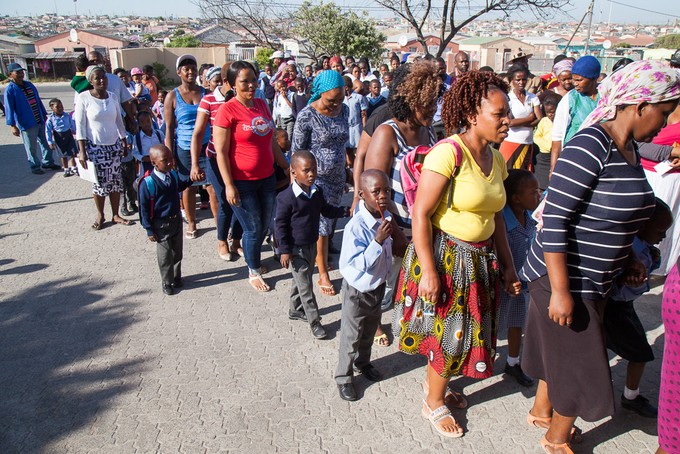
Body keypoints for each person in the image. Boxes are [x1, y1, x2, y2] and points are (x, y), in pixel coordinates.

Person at [520, 59, 680, 454]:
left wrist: (627, 260)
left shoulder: (627, 149)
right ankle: (556, 440)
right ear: (639, 105)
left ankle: (542, 411)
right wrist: (560, 291)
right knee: (581, 366)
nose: (666, 123)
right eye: (664, 112)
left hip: (598, 277)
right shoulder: (590, 144)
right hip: (564, 278)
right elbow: (554, 220)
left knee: (561, 354)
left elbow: (614, 218)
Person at [393, 70, 521, 438]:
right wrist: (430, 272)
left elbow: (496, 215)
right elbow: (420, 213)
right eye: (499, 113)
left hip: (481, 260)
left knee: (467, 332)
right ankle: (433, 401)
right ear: (471, 115)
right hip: (448, 258)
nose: (507, 120)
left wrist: (509, 267)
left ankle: (438, 385)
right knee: (450, 333)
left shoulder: (496, 159)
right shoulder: (448, 152)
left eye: (507, 111)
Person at [363, 60, 440, 345]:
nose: (433, 110)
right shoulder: (387, 133)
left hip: (420, 226)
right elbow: (373, 195)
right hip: (392, 228)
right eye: (426, 104)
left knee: (407, 285)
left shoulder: (429, 131)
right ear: (409, 100)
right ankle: (373, 324)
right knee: (383, 285)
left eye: (435, 103)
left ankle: (407, 325)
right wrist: (394, 234)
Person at [213, 61, 289, 292]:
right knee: (253, 227)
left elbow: (272, 142)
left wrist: (286, 168)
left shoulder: (261, 104)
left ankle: (253, 258)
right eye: (244, 81)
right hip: (241, 182)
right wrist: (228, 185)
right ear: (232, 84)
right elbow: (221, 152)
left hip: (266, 179)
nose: (251, 85)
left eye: (253, 80)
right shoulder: (227, 111)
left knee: (264, 225)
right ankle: (253, 270)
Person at [604, 198, 673, 418]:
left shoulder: (645, 246)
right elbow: (614, 276)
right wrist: (625, 278)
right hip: (615, 307)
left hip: (625, 305)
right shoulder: (629, 247)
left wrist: (654, 257)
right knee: (641, 353)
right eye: (660, 230)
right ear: (642, 226)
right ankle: (630, 397)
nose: (662, 236)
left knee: (608, 347)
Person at [276, 151, 349, 338]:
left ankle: (294, 310)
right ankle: (315, 322)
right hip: (295, 249)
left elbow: (326, 210)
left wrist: (344, 211)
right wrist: (284, 251)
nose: (311, 174)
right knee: (306, 286)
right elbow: (280, 226)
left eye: (314, 170)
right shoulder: (286, 198)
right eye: (306, 170)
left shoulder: (316, 192)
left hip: (311, 245)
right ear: (293, 172)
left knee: (300, 280)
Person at [335, 169, 393, 401]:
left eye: (386, 190)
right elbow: (352, 264)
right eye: (376, 191)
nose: (382, 195)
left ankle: (364, 362)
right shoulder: (355, 227)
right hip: (357, 292)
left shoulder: (385, 217)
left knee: (369, 331)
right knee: (351, 336)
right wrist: (377, 241)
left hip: (376, 287)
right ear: (361, 194)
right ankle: (343, 377)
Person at [291, 70, 349, 296]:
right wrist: (297, 186)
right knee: (322, 228)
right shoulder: (307, 115)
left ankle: (321, 258)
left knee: (330, 223)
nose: (335, 105)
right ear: (319, 94)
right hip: (316, 179)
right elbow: (297, 152)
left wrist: (349, 170)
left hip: (338, 178)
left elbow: (346, 144)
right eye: (330, 100)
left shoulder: (343, 109)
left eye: (340, 99)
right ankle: (322, 272)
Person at [191, 65, 242, 261]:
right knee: (225, 200)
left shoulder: (243, 98)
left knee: (240, 199)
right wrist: (195, 164)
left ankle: (236, 241)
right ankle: (222, 241)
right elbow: (197, 133)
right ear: (227, 80)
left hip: (238, 159)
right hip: (215, 158)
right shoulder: (209, 100)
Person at [75, 66, 133, 230]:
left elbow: (119, 122)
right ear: (90, 81)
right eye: (97, 78)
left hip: (114, 146)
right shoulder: (84, 98)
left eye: (104, 77)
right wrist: (82, 151)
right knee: (99, 184)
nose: (102, 80)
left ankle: (115, 214)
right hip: (95, 147)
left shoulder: (113, 97)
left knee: (115, 182)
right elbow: (80, 126)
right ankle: (101, 214)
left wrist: (123, 140)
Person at [499, 169, 541, 387]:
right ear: (516, 198)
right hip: (502, 283)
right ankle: (482, 357)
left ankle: (513, 362)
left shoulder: (531, 219)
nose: (539, 196)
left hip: (522, 284)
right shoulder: (502, 222)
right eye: (534, 192)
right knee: (492, 323)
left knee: (517, 322)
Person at [164, 54, 210, 239]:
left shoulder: (206, 92)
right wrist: (169, 153)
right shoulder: (172, 96)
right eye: (186, 68)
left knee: (211, 186)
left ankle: (219, 222)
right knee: (188, 187)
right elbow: (169, 127)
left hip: (206, 145)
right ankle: (191, 221)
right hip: (183, 147)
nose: (190, 71)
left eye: (192, 67)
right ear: (179, 72)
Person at [138, 145, 193, 296]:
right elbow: (143, 209)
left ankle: (176, 276)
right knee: (165, 255)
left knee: (177, 252)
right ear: (154, 162)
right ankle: (166, 281)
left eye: (171, 159)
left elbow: (180, 186)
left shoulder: (173, 175)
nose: (170, 163)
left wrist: (191, 179)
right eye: (165, 160)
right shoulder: (148, 183)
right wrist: (149, 229)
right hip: (160, 224)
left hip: (176, 221)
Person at [640, 103, 680, 276]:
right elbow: (641, 146)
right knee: (650, 224)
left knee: (671, 227)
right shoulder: (656, 107)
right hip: (650, 175)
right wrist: (673, 151)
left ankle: (668, 271)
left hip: (675, 179)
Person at [4, 62, 60, 174]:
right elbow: (9, 109)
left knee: (46, 142)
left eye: (21, 72)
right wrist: (12, 125)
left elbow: (38, 101)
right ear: (10, 74)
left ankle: (48, 162)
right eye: (17, 72)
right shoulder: (10, 90)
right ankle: (35, 166)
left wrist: (44, 115)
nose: (21, 74)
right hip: (27, 123)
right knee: (31, 147)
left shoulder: (29, 85)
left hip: (39, 118)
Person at [550, 55, 601, 171]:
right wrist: (553, 168)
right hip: (574, 157)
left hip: (600, 157)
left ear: (593, 78)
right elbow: (557, 137)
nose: (575, 83)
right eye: (574, 79)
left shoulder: (606, 97)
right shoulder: (570, 99)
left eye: (579, 80)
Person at [499, 64, 543, 170]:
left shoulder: (532, 97)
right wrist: (529, 119)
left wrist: (523, 123)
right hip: (512, 141)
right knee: (507, 173)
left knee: (523, 176)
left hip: (527, 142)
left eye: (524, 80)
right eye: (518, 80)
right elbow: (510, 122)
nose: (521, 82)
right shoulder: (508, 98)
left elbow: (540, 118)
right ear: (512, 80)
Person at [533, 95, 560, 190]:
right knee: (541, 183)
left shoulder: (562, 122)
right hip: (543, 158)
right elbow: (536, 137)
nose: (550, 115)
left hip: (556, 156)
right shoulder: (544, 121)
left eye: (552, 112)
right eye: (547, 112)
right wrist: (548, 146)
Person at [45, 98, 78, 177]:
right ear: (52, 108)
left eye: (61, 106)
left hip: (68, 135)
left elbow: (72, 124)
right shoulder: (51, 119)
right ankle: (66, 169)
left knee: (73, 153)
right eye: (57, 107)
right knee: (63, 155)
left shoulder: (66, 116)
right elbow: (48, 131)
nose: (60, 108)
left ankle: (74, 167)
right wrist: (50, 142)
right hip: (59, 137)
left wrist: (77, 132)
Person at [132, 110, 165, 177]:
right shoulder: (137, 137)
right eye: (142, 122)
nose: (146, 124)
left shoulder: (158, 134)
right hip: (146, 164)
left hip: (159, 161)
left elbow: (164, 146)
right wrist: (142, 158)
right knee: (148, 180)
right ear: (139, 124)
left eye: (148, 121)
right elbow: (134, 152)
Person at [345, 77, 368, 169]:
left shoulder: (359, 98)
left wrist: (364, 128)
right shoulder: (342, 99)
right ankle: (351, 169)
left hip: (357, 127)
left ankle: (360, 168)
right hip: (346, 128)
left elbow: (364, 114)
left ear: (346, 87)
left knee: (359, 150)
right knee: (348, 150)